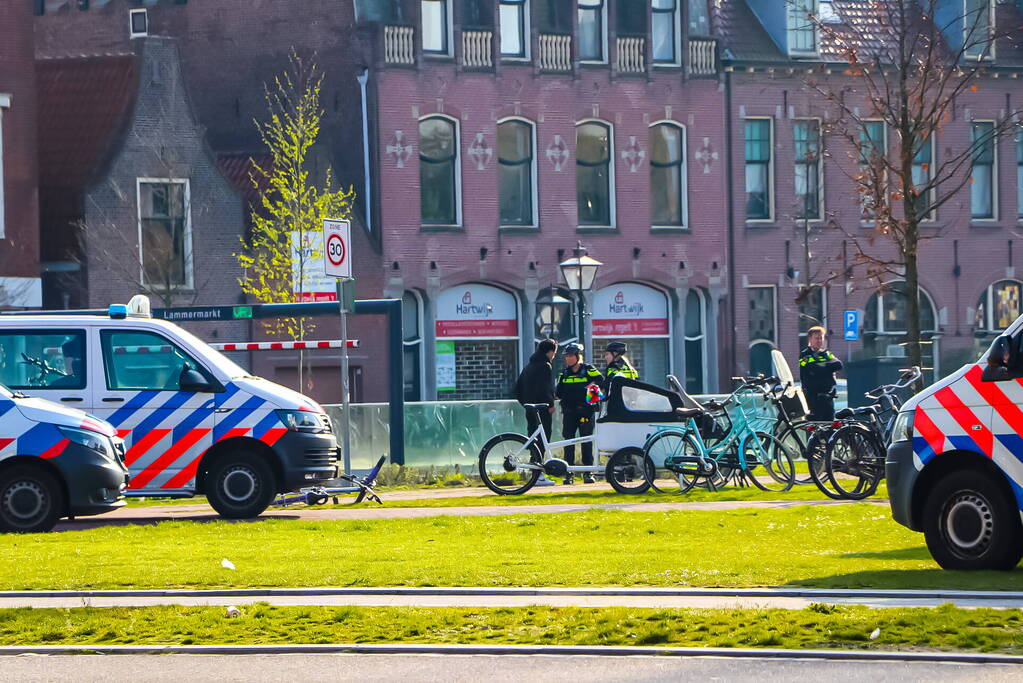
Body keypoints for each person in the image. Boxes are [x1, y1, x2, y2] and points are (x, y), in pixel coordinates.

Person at [555, 343, 603, 484]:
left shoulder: (588, 370)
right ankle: (568, 473)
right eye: (566, 357)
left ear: (577, 356)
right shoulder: (564, 373)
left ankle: (588, 473)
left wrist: (591, 386)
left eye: (570, 356)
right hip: (569, 413)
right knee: (568, 442)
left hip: (585, 412)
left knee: (586, 442)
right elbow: (558, 392)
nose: (568, 359)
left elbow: (602, 381)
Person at [514, 338, 558, 447]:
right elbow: (545, 387)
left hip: (529, 407)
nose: (554, 356)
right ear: (551, 352)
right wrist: (550, 404)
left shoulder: (528, 366)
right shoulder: (545, 366)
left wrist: (526, 403)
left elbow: (518, 388)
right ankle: (539, 460)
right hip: (542, 407)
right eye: (555, 353)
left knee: (533, 434)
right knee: (544, 436)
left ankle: (533, 458)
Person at [799, 325, 843, 421]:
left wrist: (823, 365)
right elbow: (812, 369)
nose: (819, 341)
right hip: (812, 397)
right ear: (810, 339)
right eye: (816, 338)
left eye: (821, 338)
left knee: (829, 424)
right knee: (814, 425)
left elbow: (839, 365)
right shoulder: (804, 355)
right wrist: (828, 366)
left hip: (827, 396)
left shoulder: (826, 353)